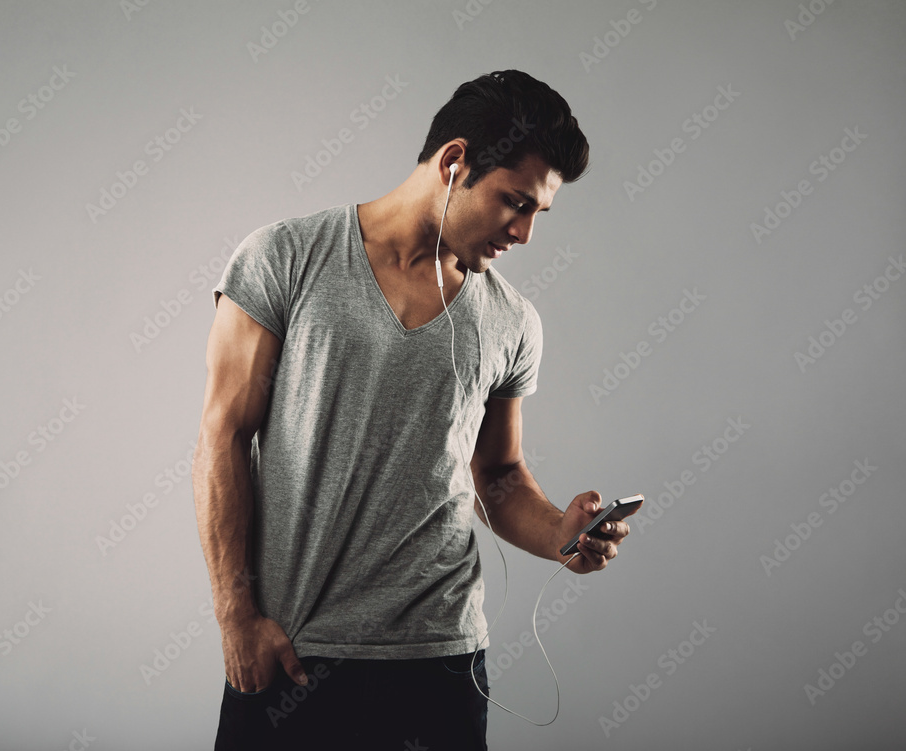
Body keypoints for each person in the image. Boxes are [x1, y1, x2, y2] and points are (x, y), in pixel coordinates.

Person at [192, 69, 633, 751]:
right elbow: (222, 437)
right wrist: (235, 615)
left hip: (441, 659)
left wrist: (562, 536)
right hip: (294, 650)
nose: (523, 233)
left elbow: (500, 475)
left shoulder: (512, 321)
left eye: (538, 214)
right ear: (455, 162)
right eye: (514, 203)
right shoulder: (284, 258)